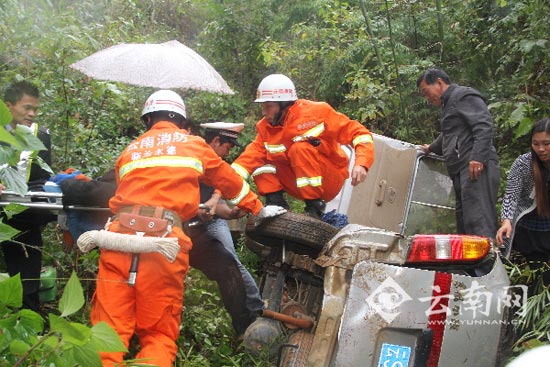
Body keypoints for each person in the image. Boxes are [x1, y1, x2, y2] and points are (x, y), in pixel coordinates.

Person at [88, 90, 284, 367]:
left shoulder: (130, 150)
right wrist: (259, 209)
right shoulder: (192, 145)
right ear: (181, 121)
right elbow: (231, 183)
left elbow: (124, 189)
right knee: (157, 334)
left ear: (148, 120)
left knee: (107, 335)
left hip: (118, 238)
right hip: (163, 243)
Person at [231, 73, 375, 219]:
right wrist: (224, 189)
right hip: (298, 181)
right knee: (259, 160)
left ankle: (314, 206)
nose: (264, 112)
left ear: (285, 104)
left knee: (299, 148)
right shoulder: (265, 128)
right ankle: (275, 203)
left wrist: (362, 164)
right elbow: (245, 162)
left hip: (329, 179)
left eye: (268, 106)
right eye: (263, 107)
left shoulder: (317, 113)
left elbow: (359, 132)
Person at [190, 121, 264, 335]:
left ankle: (254, 310)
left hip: (211, 222)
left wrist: (231, 213)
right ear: (215, 141)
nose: (227, 153)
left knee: (230, 262)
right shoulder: (191, 159)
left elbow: (217, 207)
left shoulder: (217, 165)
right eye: (226, 147)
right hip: (187, 223)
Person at [417, 68, 499, 238]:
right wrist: (430, 148)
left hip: (474, 167)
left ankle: (487, 263)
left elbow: (483, 125)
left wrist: (478, 157)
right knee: (465, 221)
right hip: (460, 170)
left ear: (439, 82)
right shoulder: (449, 104)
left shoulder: (463, 96)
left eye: (426, 92)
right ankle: (471, 264)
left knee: (479, 220)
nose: (427, 98)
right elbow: (450, 134)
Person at [1, 80, 54, 312]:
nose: (32, 114)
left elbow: (44, 176)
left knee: (27, 278)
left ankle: (29, 325)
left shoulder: (40, 135)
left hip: (22, 212)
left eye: (35, 109)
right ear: (8, 106)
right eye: (26, 108)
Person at [496, 118, 550, 280]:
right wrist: (506, 220)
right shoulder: (523, 164)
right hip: (528, 233)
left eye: (546, 144)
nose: (541, 149)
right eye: (535, 143)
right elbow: (511, 196)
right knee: (533, 279)